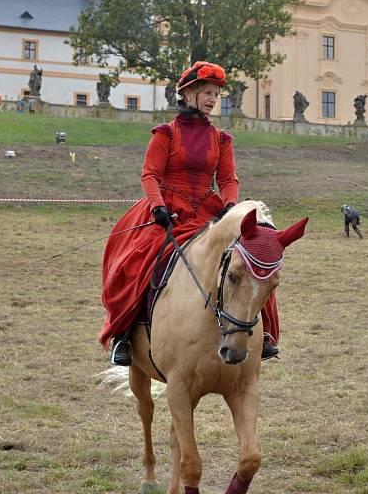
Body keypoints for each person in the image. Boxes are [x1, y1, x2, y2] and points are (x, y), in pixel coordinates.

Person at [100, 61, 281, 365]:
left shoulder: (221, 139)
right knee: (135, 262)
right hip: (167, 210)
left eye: (217, 94)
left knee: (251, 259)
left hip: (207, 212)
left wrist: (229, 204)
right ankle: (125, 336)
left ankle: (266, 335)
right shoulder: (165, 134)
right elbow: (150, 175)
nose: (213, 99)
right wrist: (157, 206)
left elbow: (227, 179)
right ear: (187, 94)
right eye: (208, 92)